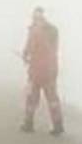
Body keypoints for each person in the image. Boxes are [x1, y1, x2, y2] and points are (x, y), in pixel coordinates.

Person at [21, 7, 64, 135]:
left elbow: (28, 48)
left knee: (32, 98)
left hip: (37, 71)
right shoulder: (53, 30)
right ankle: (58, 125)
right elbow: (54, 50)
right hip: (50, 70)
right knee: (52, 98)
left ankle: (28, 124)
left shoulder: (34, 31)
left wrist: (25, 55)